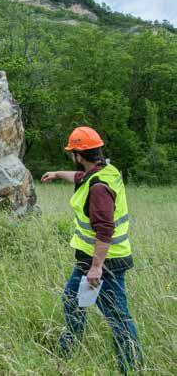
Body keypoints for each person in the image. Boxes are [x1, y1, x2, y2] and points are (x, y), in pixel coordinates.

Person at [41, 126, 142, 374]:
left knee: (117, 316)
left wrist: (97, 267)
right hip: (89, 261)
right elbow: (78, 177)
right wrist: (55, 173)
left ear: (78, 155)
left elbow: (105, 230)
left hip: (104, 264)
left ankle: (132, 366)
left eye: (73, 154)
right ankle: (67, 352)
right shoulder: (104, 171)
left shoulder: (98, 187)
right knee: (72, 301)